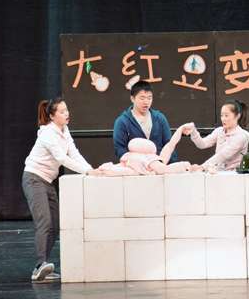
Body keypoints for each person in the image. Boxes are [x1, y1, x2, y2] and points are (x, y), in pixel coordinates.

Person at [22, 98, 100, 283]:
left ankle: (43, 267)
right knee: (45, 222)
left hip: (47, 182)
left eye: (67, 110)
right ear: (52, 116)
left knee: (55, 225)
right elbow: (62, 159)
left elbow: (74, 153)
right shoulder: (48, 133)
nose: (67, 113)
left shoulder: (65, 130)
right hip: (34, 179)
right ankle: (40, 265)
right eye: (62, 111)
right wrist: (86, 171)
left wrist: (91, 170)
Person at [113, 80, 178, 163]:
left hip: (160, 164)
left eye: (149, 98)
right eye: (142, 98)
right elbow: (120, 149)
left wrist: (169, 165)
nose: (146, 102)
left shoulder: (159, 118)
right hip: (135, 166)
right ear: (132, 99)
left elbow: (169, 144)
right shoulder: (122, 121)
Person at [186, 100, 249, 172]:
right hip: (217, 173)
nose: (223, 119)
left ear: (237, 116)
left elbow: (223, 155)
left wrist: (202, 167)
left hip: (234, 175)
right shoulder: (219, 131)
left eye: (226, 115)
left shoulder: (241, 136)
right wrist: (193, 131)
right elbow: (202, 144)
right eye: (221, 115)